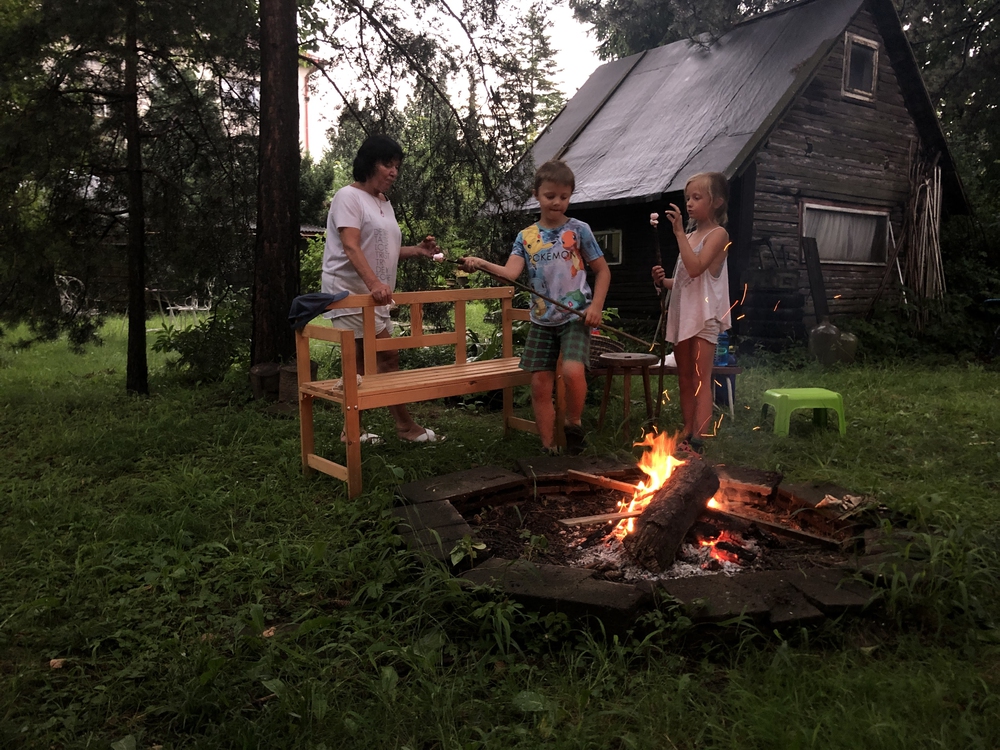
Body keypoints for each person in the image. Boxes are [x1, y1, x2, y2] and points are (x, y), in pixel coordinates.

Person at [460, 159, 611, 455]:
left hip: (575, 316)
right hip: (542, 319)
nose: (557, 203)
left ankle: (573, 422)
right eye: (550, 196)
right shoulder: (526, 237)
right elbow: (510, 273)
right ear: (536, 194)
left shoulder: (579, 230)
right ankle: (547, 445)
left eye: (564, 197)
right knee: (540, 384)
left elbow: (603, 271)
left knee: (571, 371)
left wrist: (597, 307)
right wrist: (479, 263)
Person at [322, 134, 442, 443]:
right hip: (350, 293)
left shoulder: (383, 202)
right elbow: (350, 246)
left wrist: (417, 250)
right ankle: (404, 427)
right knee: (384, 358)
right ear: (368, 163)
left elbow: (382, 250)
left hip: (376, 296)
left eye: (397, 167)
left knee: (363, 363)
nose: (393, 172)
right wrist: (374, 283)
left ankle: (352, 430)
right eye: (387, 164)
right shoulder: (348, 197)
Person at [651, 172, 731, 455]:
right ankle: (688, 432)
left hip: (704, 315)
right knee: (684, 377)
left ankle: (700, 436)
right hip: (684, 313)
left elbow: (697, 268)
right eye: (688, 198)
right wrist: (663, 281)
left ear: (717, 202)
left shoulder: (718, 234)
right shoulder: (691, 235)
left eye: (697, 197)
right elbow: (685, 279)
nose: (689, 203)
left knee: (700, 378)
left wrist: (679, 234)